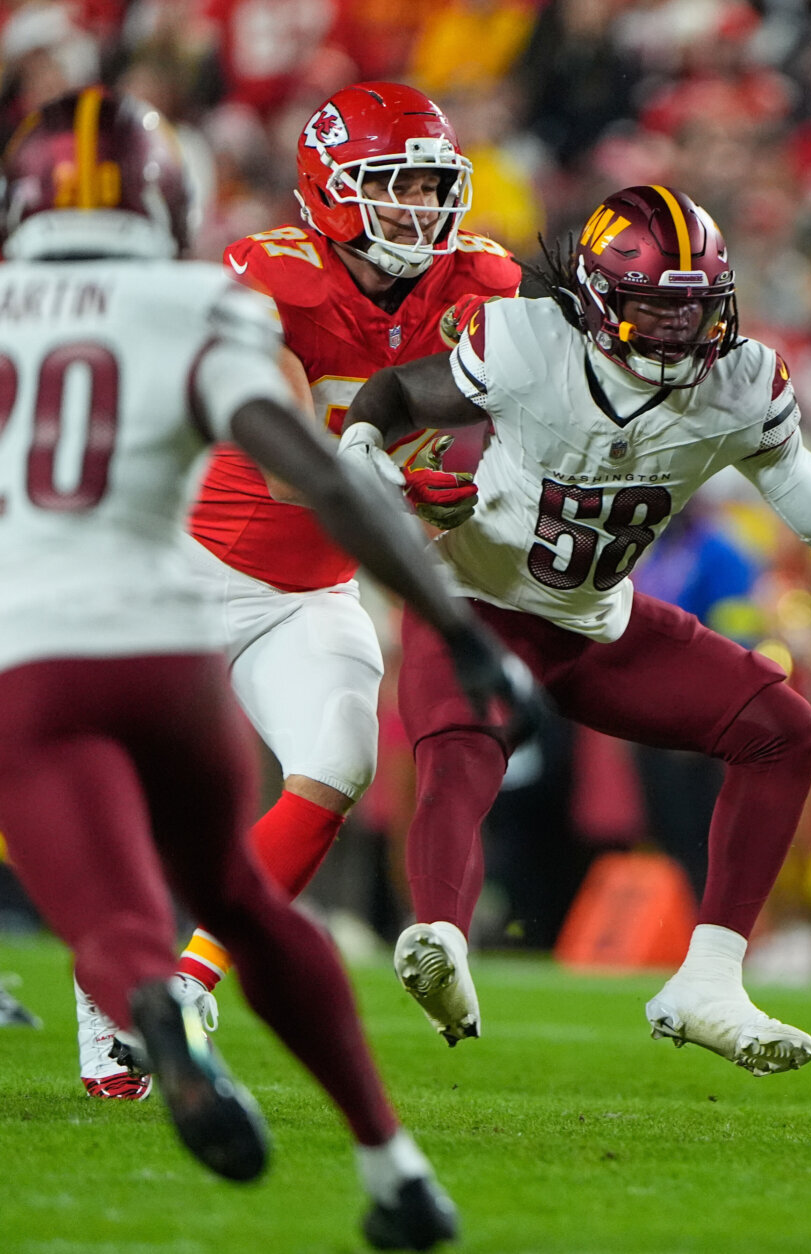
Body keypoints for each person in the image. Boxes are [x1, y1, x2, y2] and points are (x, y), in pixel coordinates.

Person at [0, 86, 538, 1247]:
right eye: (393, 181)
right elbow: (303, 467)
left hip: (267, 591)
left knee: (334, 759)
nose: (419, 205)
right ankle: (371, 1153)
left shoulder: (481, 284)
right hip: (196, 573)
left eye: (430, 183)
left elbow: (533, 421)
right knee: (170, 841)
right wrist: (429, 556)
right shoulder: (250, 281)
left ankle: (181, 989)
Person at [338, 185, 811, 1072]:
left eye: (696, 305)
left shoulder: (740, 383)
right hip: (476, 606)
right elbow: (396, 391)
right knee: (461, 751)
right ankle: (442, 939)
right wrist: (361, 445)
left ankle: (709, 982)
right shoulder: (529, 343)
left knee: (784, 732)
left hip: (594, 621)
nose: (682, 327)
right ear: (599, 298)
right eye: (655, 305)